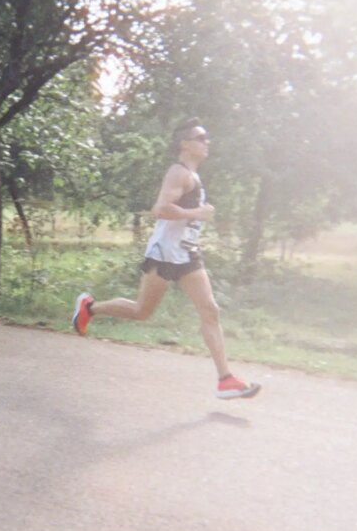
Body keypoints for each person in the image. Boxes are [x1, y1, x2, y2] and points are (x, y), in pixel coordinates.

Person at [71, 118, 261, 400]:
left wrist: (199, 221)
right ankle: (90, 307)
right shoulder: (178, 172)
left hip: (187, 254)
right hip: (164, 254)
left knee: (210, 310)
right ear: (184, 144)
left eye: (207, 138)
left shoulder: (195, 177)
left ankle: (226, 379)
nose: (206, 142)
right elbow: (161, 209)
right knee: (141, 312)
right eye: (201, 137)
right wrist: (197, 214)